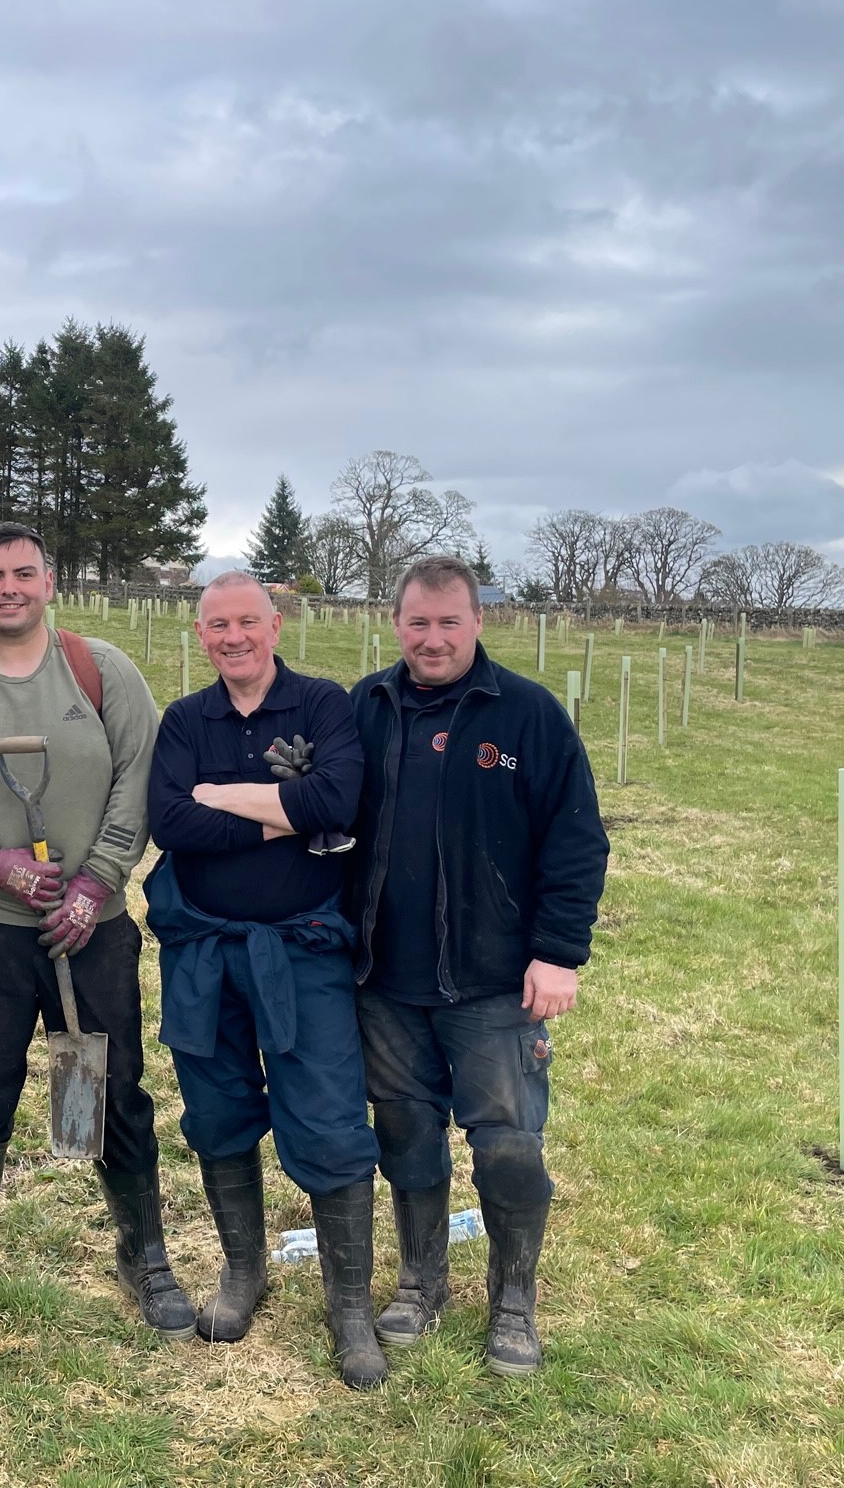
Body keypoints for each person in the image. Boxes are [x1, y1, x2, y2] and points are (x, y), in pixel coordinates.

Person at [0, 521, 193, 1336]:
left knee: (105, 1090)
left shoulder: (102, 673)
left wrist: (94, 884)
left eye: (23, 573)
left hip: (89, 933)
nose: (8, 588)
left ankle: (143, 1254)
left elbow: (141, 778)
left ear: (49, 581)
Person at [348, 555, 608, 1376]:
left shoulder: (527, 716)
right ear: (396, 624)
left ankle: (514, 1299)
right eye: (417, 623)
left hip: (495, 982)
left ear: (477, 622)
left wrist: (558, 954)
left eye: (448, 622)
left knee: (507, 1144)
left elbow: (576, 840)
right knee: (407, 1133)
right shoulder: (368, 707)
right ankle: (422, 1279)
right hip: (385, 979)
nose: (432, 639)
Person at [144, 571, 386, 1389]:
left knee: (326, 1115)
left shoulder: (323, 705)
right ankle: (243, 1272)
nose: (234, 637)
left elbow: (338, 801)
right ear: (202, 633)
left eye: (248, 622)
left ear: (275, 624)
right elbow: (169, 820)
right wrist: (284, 810)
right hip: (202, 953)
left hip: (303, 951)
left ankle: (349, 1306)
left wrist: (226, 799)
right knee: (216, 1113)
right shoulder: (185, 719)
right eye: (218, 625)